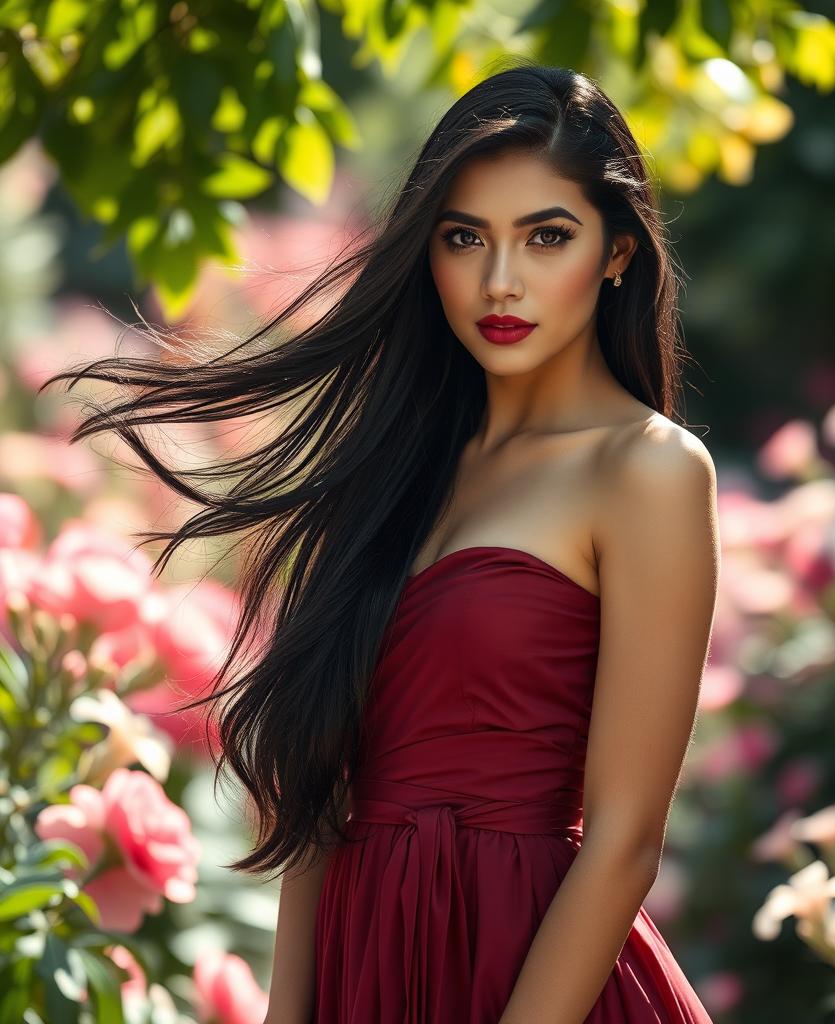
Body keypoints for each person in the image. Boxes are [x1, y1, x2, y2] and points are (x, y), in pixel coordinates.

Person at [44, 59, 720, 1023]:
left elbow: (623, 842)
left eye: (546, 238)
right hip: (368, 961)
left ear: (617, 253)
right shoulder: (390, 471)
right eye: (464, 238)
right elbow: (323, 782)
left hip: (532, 974)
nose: (500, 280)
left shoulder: (647, 471)